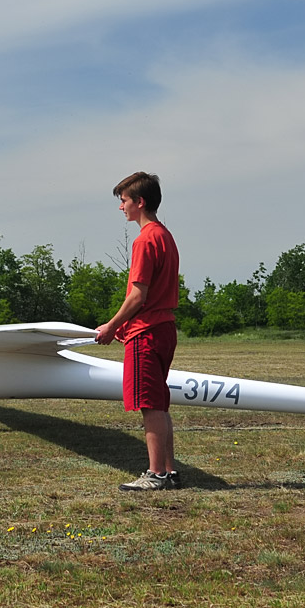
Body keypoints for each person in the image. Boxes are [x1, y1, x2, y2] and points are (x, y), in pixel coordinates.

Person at [96, 172, 181, 491]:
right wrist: (125, 324)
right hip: (163, 328)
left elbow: (138, 295)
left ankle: (156, 474)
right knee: (159, 402)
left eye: (124, 201)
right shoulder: (166, 236)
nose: (121, 207)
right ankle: (169, 471)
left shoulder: (145, 239)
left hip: (146, 334)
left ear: (139, 202)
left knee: (150, 405)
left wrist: (111, 326)